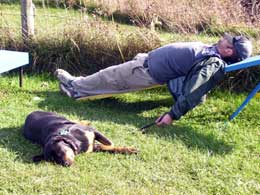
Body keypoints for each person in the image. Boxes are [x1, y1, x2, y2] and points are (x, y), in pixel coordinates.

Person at [55, 33, 252, 126]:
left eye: (229, 41)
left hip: (146, 72)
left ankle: (75, 87)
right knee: (112, 75)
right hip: (147, 62)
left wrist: (171, 115)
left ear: (229, 51)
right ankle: (80, 86)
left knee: (109, 76)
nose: (225, 38)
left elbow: (194, 90)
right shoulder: (214, 51)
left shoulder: (213, 63)